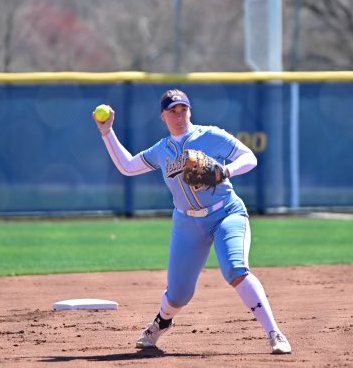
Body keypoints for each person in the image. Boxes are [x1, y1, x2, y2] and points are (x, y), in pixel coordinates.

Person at [92, 89, 291, 354]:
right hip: (187, 224)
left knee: (235, 269)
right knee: (178, 294)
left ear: (190, 111)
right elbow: (127, 166)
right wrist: (107, 132)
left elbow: (249, 157)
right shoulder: (161, 150)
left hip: (226, 213)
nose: (179, 115)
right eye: (172, 111)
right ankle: (161, 322)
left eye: (183, 109)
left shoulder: (210, 135)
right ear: (163, 116)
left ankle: (274, 333)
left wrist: (226, 170)